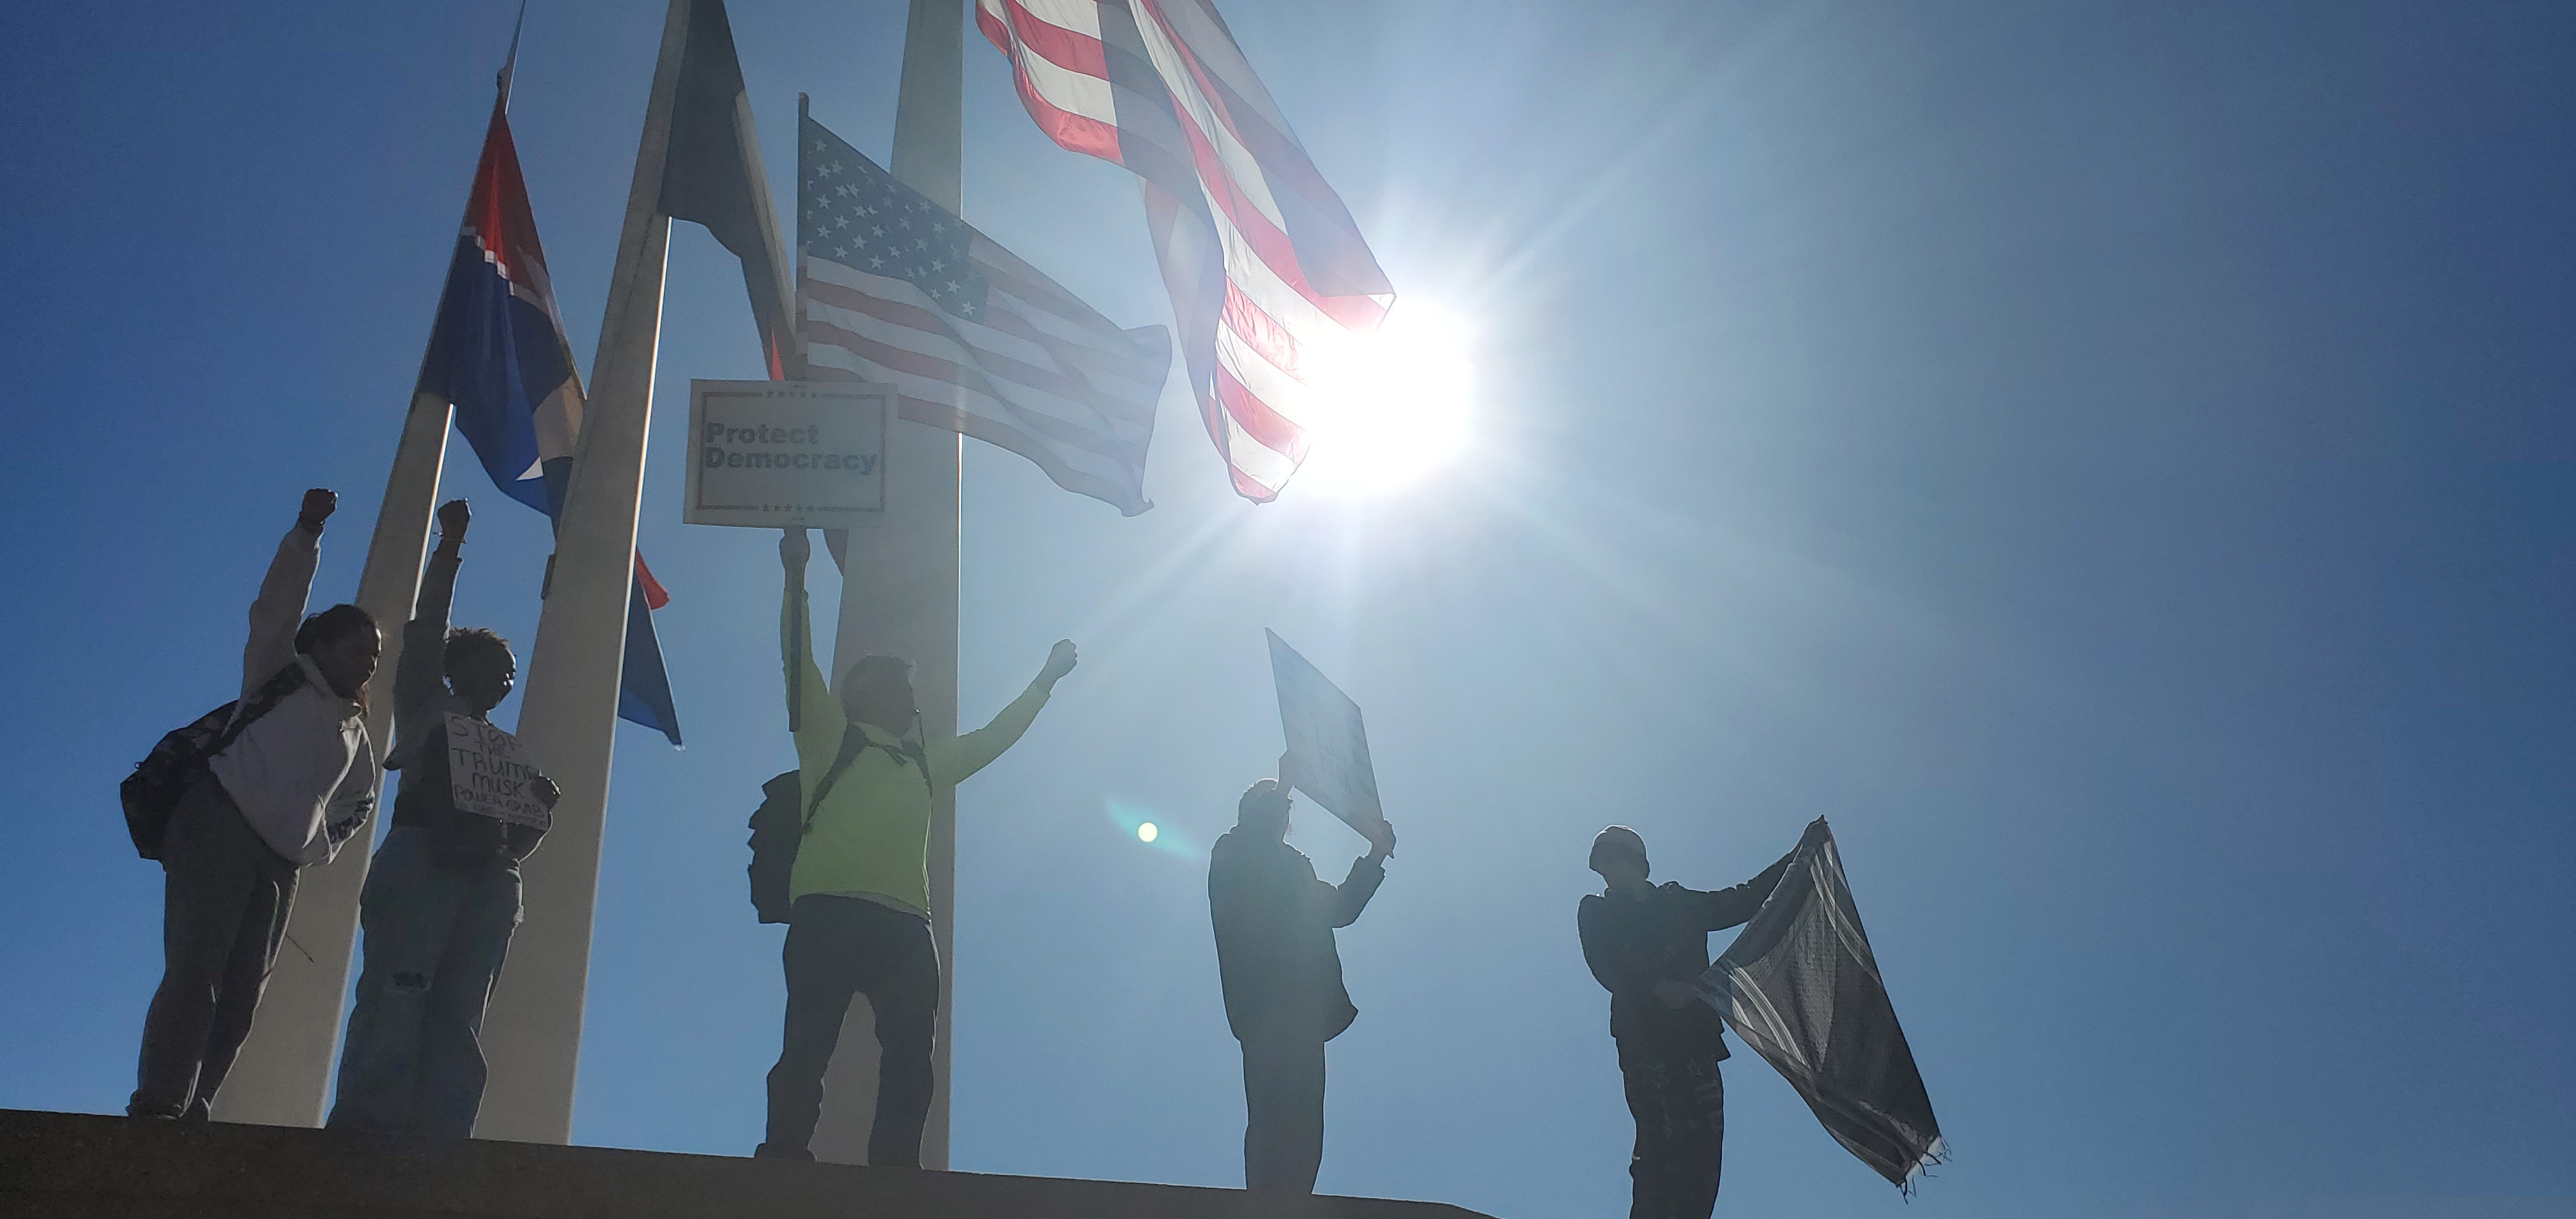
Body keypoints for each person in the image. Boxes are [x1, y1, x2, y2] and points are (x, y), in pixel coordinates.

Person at [758, 526, 1079, 1165]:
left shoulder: (927, 763)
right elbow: (799, 658)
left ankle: (897, 1172)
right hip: (828, 911)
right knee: (807, 1045)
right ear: (869, 693)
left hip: (907, 923)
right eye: (905, 689)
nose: (914, 699)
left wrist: (1046, 680)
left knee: (912, 1059)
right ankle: (784, 1157)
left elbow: (994, 738)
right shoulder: (828, 736)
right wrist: (796, 575)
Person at [130, 488, 381, 1121]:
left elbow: (360, 800)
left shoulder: (356, 731)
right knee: (196, 971)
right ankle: (160, 1100)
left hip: (280, 863)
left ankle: (198, 1104)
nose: (369, 661)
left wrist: (316, 846)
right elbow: (278, 605)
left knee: (242, 997)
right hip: (219, 822)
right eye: (359, 648)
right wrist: (307, 533)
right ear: (321, 646)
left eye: (375, 655)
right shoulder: (281, 673)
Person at [328, 498, 560, 1137]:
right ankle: (369, 1124)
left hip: (486, 877)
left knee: (462, 1012)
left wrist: (538, 818)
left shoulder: (504, 750)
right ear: (465, 667)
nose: (508, 681)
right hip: (421, 855)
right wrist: (450, 546)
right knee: (401, 991)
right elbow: (425, 631)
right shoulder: (429, 701)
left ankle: (441, 1134)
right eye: (499, 668)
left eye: (512, 675)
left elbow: (513, 848)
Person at [1577, 825, 1797, 1219]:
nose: (1605, 873)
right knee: (1659, 1147)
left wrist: (1799, 854)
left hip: (1694, 1040)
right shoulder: (1596, 910)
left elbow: (1742, 901)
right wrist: (1657, 987)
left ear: (1633, 863)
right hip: (1644, 1039)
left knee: (1702, 1149)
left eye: (1609, 861)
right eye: (1601, 865)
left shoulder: (1677, 903)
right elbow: (1605, 964)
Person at [1208, 775, 1397, 1194]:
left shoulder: (1296, 866)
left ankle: (1294, 1202)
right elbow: (1254, 843)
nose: (1281, 809)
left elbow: (1339, 908)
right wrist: (1284, 785)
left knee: (1306, 1121)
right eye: (1269, 801)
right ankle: (1265, 1203)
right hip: (1262, 1005)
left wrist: (1375, 855)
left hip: (1305, 1009)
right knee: (1273, 1115)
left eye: (1284, 805)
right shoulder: (1233, 851)